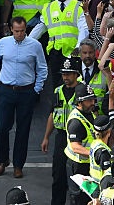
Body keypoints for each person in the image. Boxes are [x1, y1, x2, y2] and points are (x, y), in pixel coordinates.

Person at [0, 15, 47, 179]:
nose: (19, 34)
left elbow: (42, 68)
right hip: (6, 90)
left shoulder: (35, 45)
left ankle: (18, 165)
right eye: (16, 31)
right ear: (11, 30)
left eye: (22, 31)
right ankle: (2, 160)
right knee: (2, 128)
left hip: (26, 91)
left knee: (23, 129)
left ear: (26, 30)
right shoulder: (3, 43)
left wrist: (37, 89)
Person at [40, 60, 79, 205]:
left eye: (68, 74)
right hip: (61, 136)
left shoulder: (82, 91)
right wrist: (46, 137)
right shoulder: (58, 91)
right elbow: (52, 114)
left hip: (78, 138)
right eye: (63, 74)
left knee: (78, 174)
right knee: (58, 174)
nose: (65, 77)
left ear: (76, 74)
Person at [65, 84, 98, 205]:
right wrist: (95, 153)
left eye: (93, 99)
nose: (92, 102)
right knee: (79, 199)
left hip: (88, 165)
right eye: (89, 100)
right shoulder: (76, 122)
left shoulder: (89, 113)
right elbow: (75, 147)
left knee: (89, 197)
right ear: (80, 102)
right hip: (78, 167)